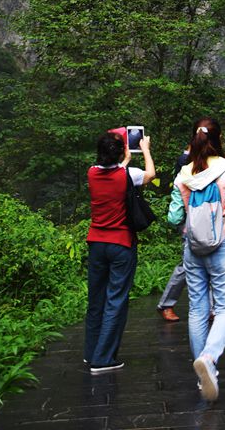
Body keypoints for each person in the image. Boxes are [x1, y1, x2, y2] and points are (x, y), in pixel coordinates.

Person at [168, 116, 225, 402]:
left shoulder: (183, 174)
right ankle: (209, 358)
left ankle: (205, 378)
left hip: (193, 243)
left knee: (197, 309)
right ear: (218, 138)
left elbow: (174, 216)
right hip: (224, 240)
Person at [85, 129, 155, 373]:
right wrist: (144, 149)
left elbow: (114, 169)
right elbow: (150, 175)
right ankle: (103, 359)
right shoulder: (129, 175)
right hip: (121, 244)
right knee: (115, 300)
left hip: (96, 242)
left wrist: (122, 156)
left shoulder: (92, 173)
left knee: (96, 299)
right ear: (123, 152)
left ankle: (91, 352)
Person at [156, 144, 191, 322]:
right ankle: (166, 304)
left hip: (210, 222)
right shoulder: (185, 160)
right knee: (186, 266)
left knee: (212, 266)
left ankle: (212, 309)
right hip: (189, 221)